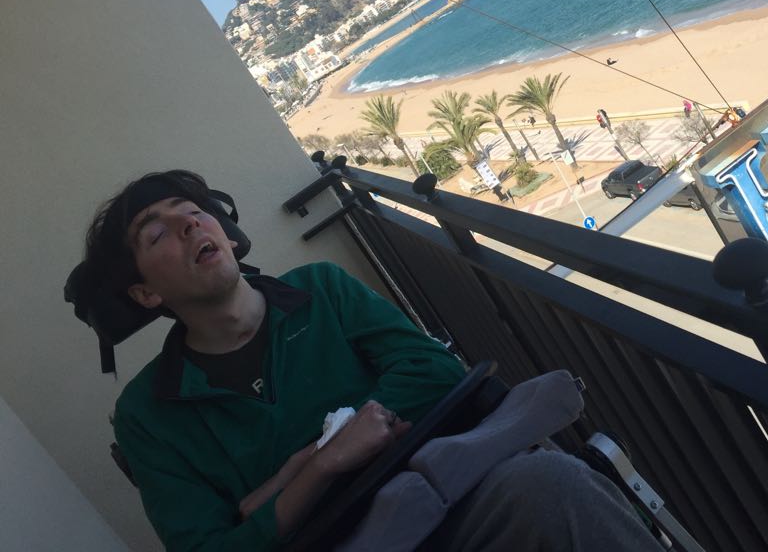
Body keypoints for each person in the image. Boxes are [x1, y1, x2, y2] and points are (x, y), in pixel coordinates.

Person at [85, 170, 663, 551]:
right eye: (156, 234)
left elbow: (432, 372)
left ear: (229, 237)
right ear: (146, 294)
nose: (189, 224)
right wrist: (323, 462)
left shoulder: (321, 289)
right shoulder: (148, 414)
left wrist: (279, 489)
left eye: (193, 211)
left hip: (452, 501)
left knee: (553, 483)